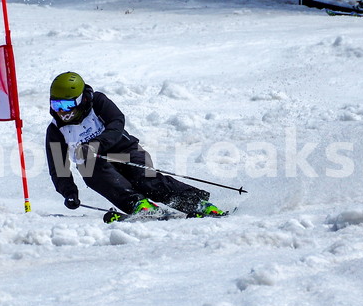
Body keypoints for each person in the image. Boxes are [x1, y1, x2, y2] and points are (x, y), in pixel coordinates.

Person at [46, 71, 227, 221]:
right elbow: (59, 168)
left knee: (144, 180)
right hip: (97, 166)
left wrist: (95, 145)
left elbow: (117, 123)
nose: (61, 110)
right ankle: (138, 204)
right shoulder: (55, 131)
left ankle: (194, 202)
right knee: (88, 166)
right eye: (56, 104)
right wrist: (68, 192)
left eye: (67, 103)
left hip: (125, 151)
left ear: (80, 100)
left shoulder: (98, 102)